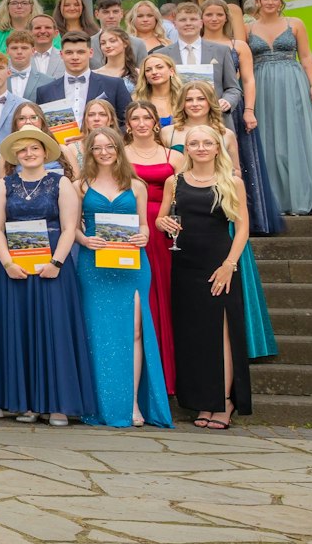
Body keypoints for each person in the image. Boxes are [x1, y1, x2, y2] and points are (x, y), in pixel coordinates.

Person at [0, 128, 97, 426]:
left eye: (34, 148)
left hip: (53, 268)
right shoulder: (3, 185)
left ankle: (59, 404)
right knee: (20, 330)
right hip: (16, 270)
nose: (29, 154)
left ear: (45, 151)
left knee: (55, 331)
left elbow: (69, 227)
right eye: (22, 149)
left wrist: (57, 262)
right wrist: (7, 263)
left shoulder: (60, 183)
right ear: (15, 155)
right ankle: (26, 403)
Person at [157, 125, 253, 429]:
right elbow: (160, 217)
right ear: (186, 148)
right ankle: (202, 401)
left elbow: (243, 228)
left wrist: (229, 264)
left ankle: (223, 402)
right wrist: (163, 224)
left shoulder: (232, 181)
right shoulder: (175, 181)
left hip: (219, 264)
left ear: (216, 148)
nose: (201, 148)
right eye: (194, 143)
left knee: (221, 335)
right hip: (184, 264)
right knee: (193, 335)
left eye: (207, 143)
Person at [72, 127, 168, 429]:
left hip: (132, 265)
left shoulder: (137, 185)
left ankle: (133, 402)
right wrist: (84, 240)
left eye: (109, 147)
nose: (104, 152)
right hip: (94, 265)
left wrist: (144, 235)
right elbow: (71, 227)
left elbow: (144, 225)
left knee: (135, 331)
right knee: (97, 332)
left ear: (118, 149)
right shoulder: (80, 186)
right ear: (90, 152)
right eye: (97, 147)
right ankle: (101, 402)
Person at [203, 0, 283, 239]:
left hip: (232, 110)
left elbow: (247, 80)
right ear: (201, 18)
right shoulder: (193, 46)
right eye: (209, 14)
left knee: (240, 163)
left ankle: (249, 219)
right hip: (200, 110)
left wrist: (249, 110)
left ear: (226, 18)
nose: (214, 19)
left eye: (219, 14)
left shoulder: (238, 45)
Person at [246, 0, 312, 215]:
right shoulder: (247, 29)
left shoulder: (295, 23)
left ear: (281, 2)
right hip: (261, 85)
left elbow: (306, 57)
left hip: (292, 82)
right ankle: (277, 200)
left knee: (296, 136)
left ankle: (303, 196)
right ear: (258, 1)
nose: (270, 2)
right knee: (269, 139)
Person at [122, 100, 179, 391]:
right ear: (128, 124)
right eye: (136, 118)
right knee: (136, 302)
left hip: (165, 233)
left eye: (147, 117)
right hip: (131, 232)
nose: (142, 123)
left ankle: (168, 375)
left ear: (156, 123)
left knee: (165, 296)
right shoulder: (119, 154)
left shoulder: (173, 156)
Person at [152, 3, 241, 125]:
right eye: (183, 20)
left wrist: (227, 101)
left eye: (193, 19)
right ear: (175, 24)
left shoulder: (221, 51)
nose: (188, 23)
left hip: (215, 119)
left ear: (201, 23)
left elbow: (233, 88)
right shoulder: (161, 54)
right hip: (177, 120)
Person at [36, 32, 131, 119]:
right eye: (69, 52)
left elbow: (127, 121)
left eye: (81, 52)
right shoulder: (45, 91)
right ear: (61, 54)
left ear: (91, 53)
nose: (75, 57)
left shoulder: (114, 85)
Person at [136, 51, 184, 128]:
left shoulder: (184, 98)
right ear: (144, 76)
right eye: (148, 70)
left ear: (171, 71)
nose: (154, 72)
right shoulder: (136, 100)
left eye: (159, 67)